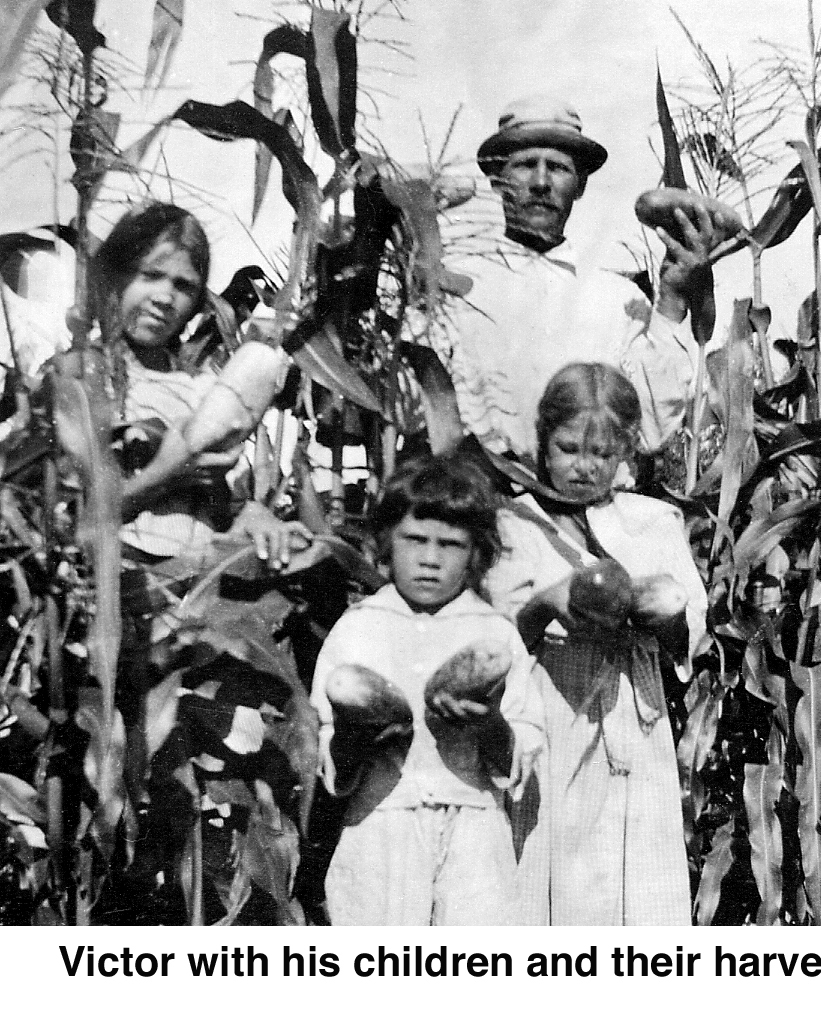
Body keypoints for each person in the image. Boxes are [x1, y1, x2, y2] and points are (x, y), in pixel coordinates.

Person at [484, 362, 707, 924]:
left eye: (602, 454)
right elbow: (496, 633)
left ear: (626, 451)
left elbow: (687, 635)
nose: (584, 468)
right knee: (557, 854)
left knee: (638, 859)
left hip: (634, 708)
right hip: (555, 704)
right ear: (542, 441)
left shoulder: (653, 521)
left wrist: (665, 612)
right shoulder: (516, 522)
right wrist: (545, 603)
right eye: (568, 449)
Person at [310, 454, 543, 925]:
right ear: (385, 542)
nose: (430, 559)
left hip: (474, 824)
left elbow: (526, 739)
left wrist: (491, 724)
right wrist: (357, 736)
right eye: (415, 539)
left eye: (451, 545)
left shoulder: (495, 634)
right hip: (381, 820)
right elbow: (326, 745)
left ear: (476, 553)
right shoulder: (357, 629)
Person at [434, 95, 726, 461]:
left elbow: (650, 432)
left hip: (588, 508)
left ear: (581, 185)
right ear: (497, 180)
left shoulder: (618, 301)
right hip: (484, 505)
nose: (541, 182)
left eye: (558, 168)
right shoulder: (455, 287)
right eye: (525, 165)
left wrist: (670, 301)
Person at [93, 201, 308, 569]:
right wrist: (165, 475)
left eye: (183, 286)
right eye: (150, 275)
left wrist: (260, 521)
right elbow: (69, 520)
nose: (164, 298)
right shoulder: (83, 379)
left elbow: (231, 507)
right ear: (114, 277)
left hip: (196, 584)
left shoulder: (205, 390)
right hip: (116, 580)